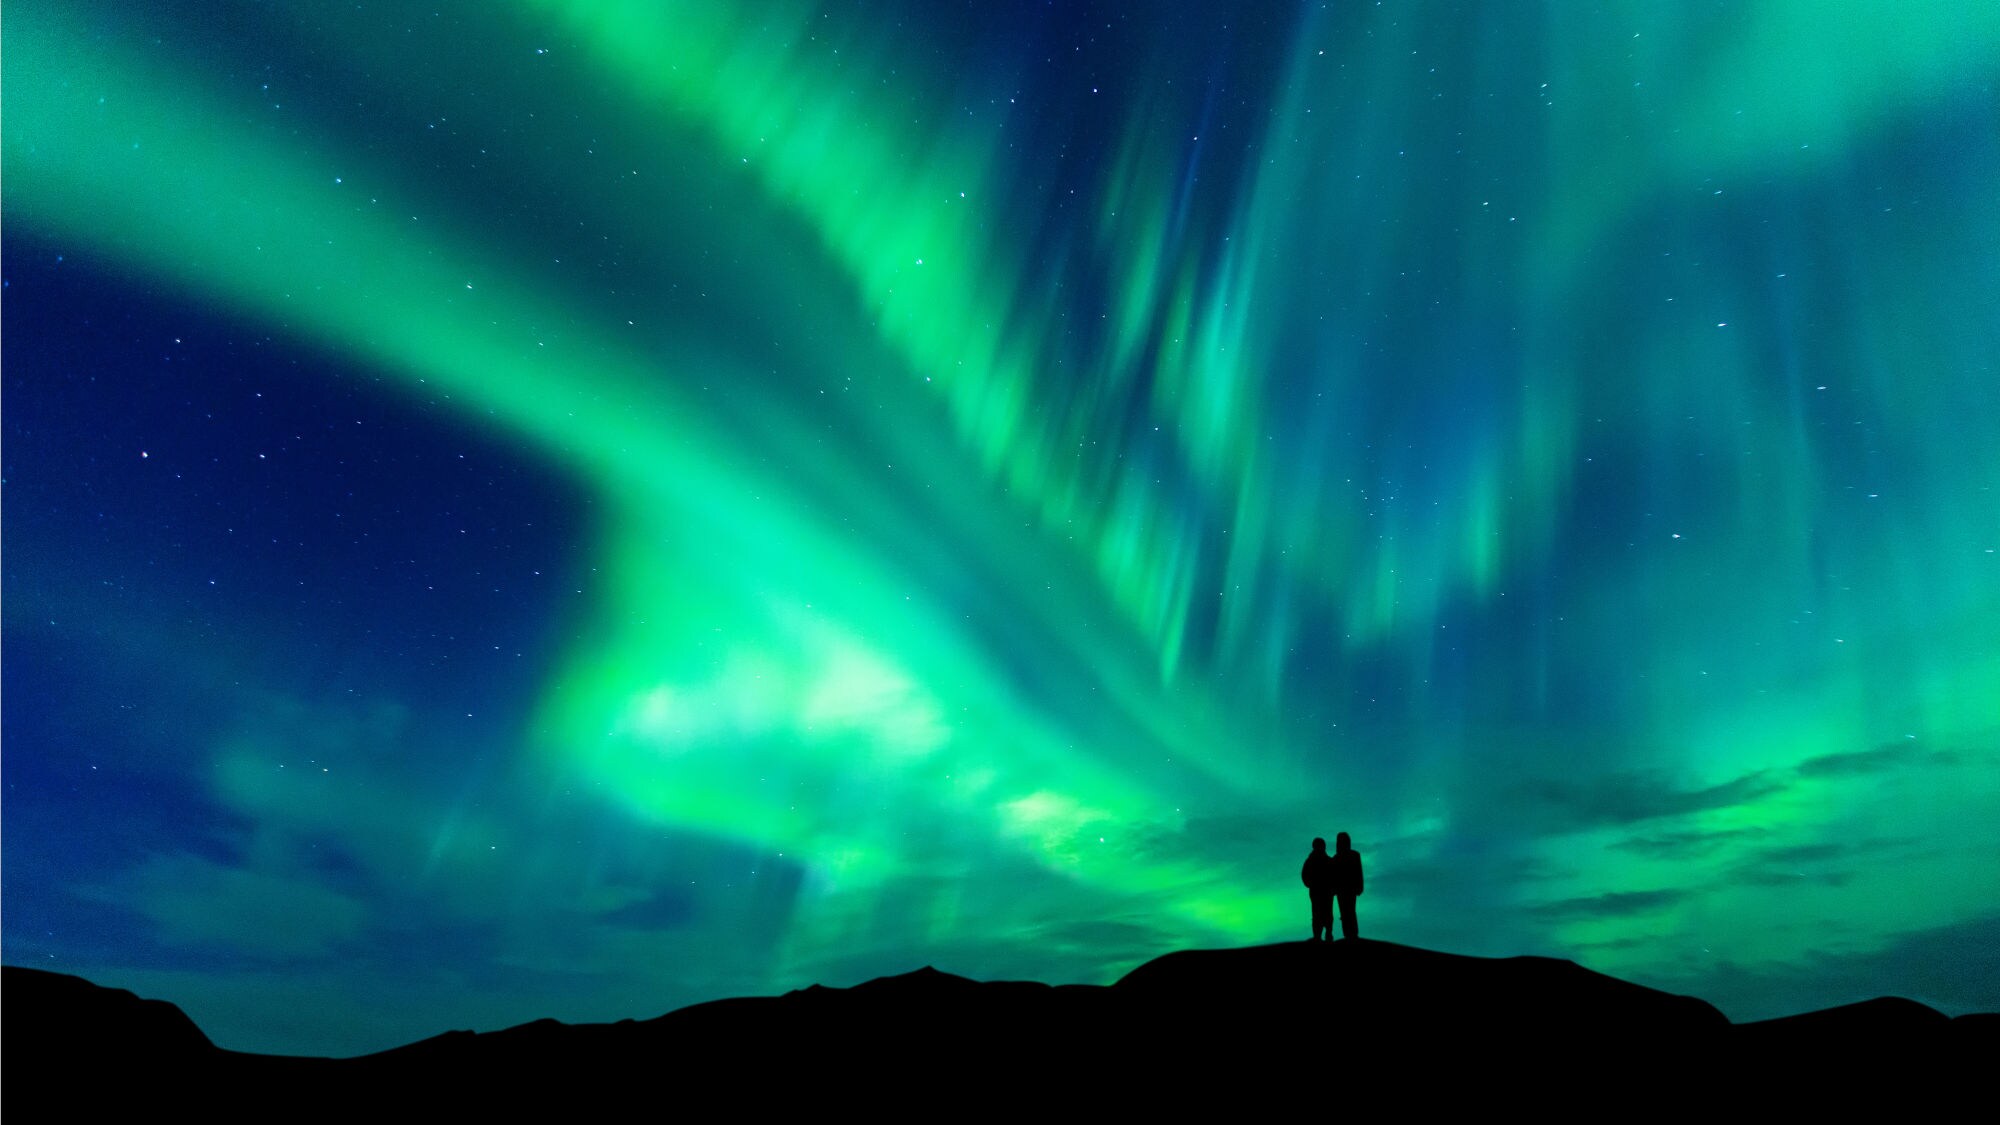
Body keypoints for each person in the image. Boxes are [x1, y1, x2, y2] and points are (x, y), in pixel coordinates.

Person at [1301, 837, 1335, 941]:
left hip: (1323, 891)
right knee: (1320, 913)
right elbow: (1305, 875)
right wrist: (1310, 884)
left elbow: (1335, 876)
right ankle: (1320, 935)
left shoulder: (1315, 861)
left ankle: (1325, 934)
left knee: (1323, 913)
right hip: (1319, 891)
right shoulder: (1314, 861)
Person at [1331, 831, 1364, 939]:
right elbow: (1359, 872)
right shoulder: (1353, 855)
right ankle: (1350, 933)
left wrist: (1359, 887)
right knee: (1347, 911)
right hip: (1347, 888)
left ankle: (1350, 933)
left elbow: (1358, 872)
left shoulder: (1337, 858)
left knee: (1347, 911)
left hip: (1346, 889)